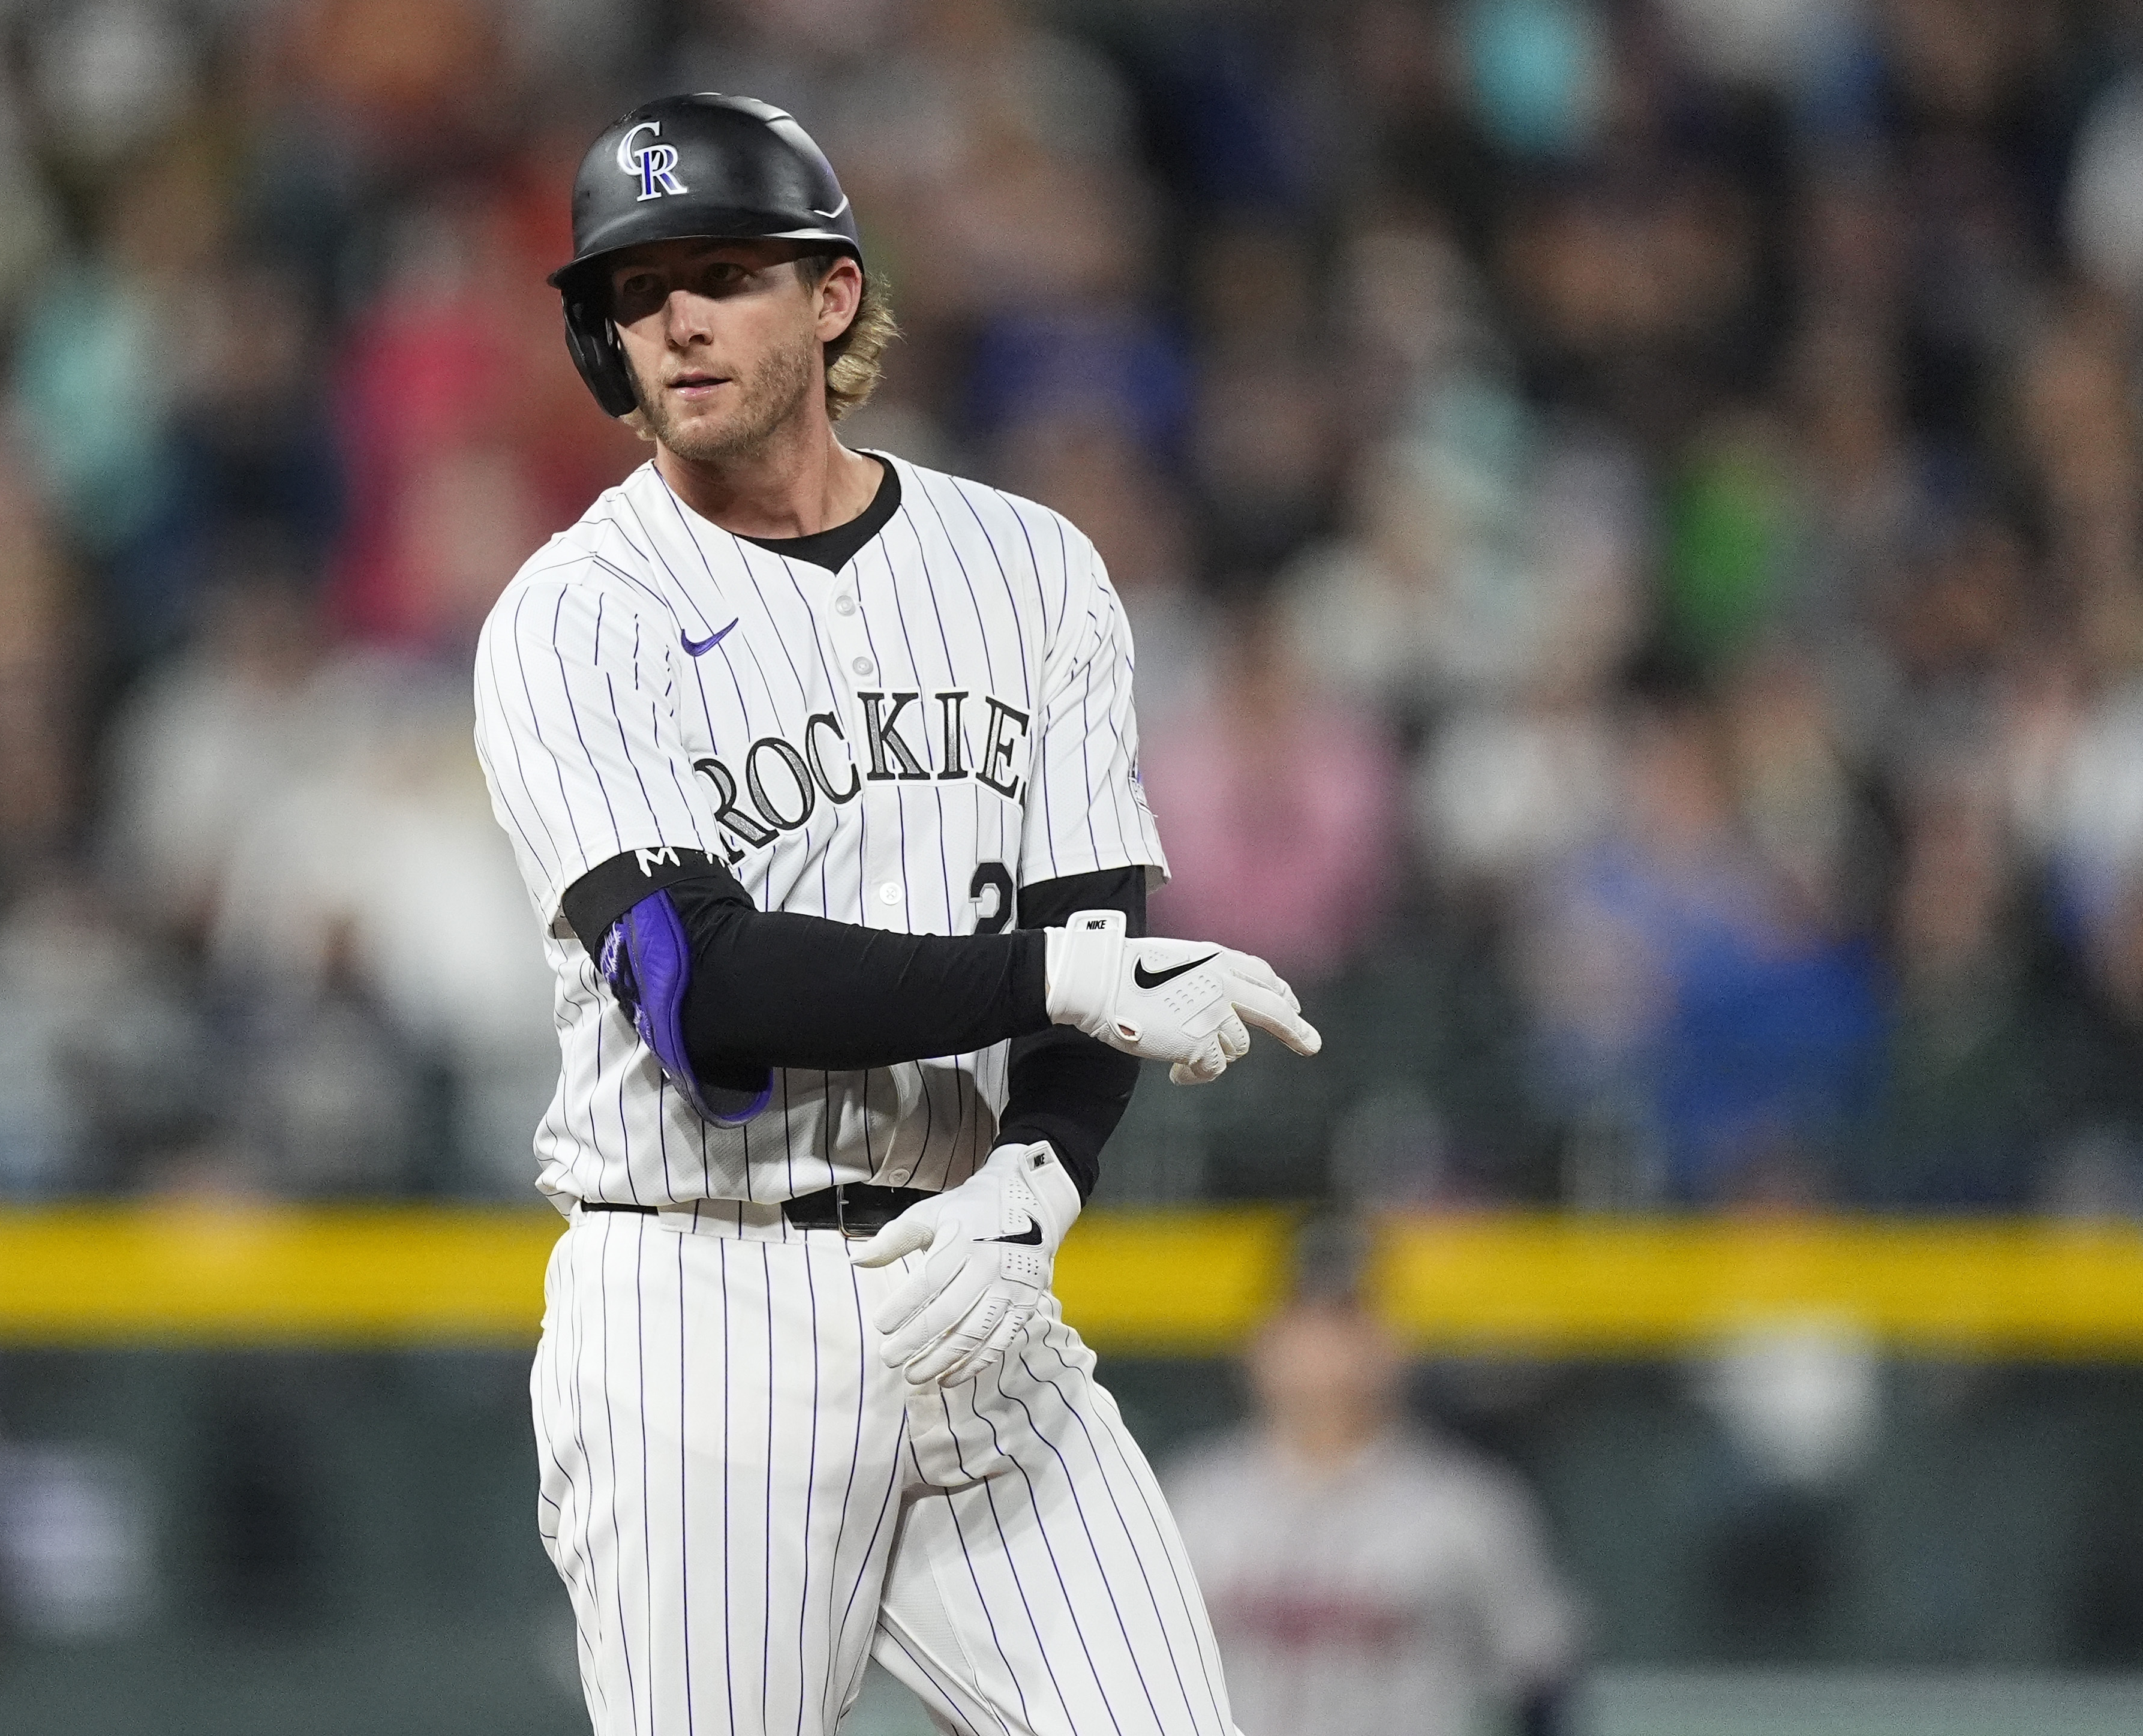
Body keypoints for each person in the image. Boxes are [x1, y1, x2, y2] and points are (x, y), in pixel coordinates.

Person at [470, 95, 1321, 1736]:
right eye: (636, 294)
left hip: (971, 1281)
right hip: (701, 1309)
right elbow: (697, 989)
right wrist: (1059, 975)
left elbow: (1096, 915)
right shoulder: (573, 620)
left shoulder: (1029, 566)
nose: (677, 320)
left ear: (833, 295)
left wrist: (1040, 1181)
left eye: (721, 271)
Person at [1165, 1292, 1580, 1736]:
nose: (1324, 1355)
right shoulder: (1188, 1498)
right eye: (1304, 1327)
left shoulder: (1464, 1504)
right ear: (1258, 1347)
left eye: (1347, 1328)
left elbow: (1541, 1668)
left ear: (1393, 1349)